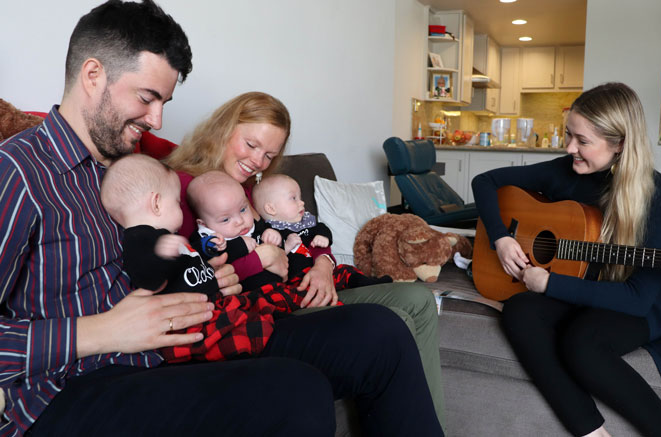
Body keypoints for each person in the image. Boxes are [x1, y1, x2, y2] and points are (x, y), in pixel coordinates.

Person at [0, 1, 443, 435]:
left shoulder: (130, 168)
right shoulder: (18, 172)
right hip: (75, 385)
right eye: (147, 97)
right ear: (93, 75)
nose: (156, 118)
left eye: (164, 102)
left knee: (378, 333)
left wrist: (212, 277)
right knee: (293, 390)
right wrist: (99, 331)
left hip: (179, 342)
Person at [165, 91, 447, 429]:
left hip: (305, 283)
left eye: (269, 155)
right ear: (223, 131)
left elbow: (307, 231)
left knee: (419, 298)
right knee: (395, 318)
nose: (257, 161)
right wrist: (261, 258)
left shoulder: (260, 189)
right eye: (251, 145)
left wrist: (323, 264)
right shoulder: (188, 190)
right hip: (268, 306)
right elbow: (196, 275)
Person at [472, 82, 661, 437]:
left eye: (582, 141)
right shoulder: (564, 171)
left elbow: (636, 298)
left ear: (620, 144)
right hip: (581, 287)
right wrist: (501, 237)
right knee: (520, 309)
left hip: (639, 304)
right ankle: (592, 432)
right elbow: (485, 180)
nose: (570, 148)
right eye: (568, 135)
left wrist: (550, 282)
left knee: (582, 342)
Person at [100, 154, 279, 362]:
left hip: (213, 306)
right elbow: (147, 279)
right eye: (176, 202)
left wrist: (209, 247)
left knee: (259, 315)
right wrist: (164, 254)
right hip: (191, 322)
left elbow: (192, 253)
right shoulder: (139, 238)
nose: (181, 210)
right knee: (251, 334)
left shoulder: (167, 236)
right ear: (156, 204)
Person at [186, 170, 389, 296]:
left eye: (243, 210)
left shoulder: (259, 226)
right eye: (226, 219)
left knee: (344, 271)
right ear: (204, 223)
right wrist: (243, 248)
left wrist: (275, 239)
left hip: (286, 281)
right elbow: (204, 260)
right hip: (260, 291)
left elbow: (284, 238)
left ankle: (364, 282)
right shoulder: (208, 239)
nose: (239, 221)